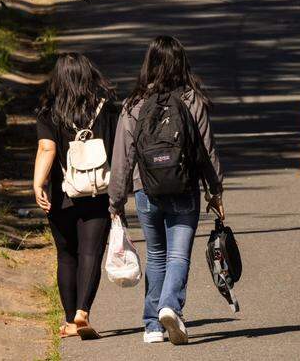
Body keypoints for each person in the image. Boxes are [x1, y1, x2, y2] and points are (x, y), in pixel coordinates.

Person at [109, 36, 225, 346]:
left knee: (156, 255)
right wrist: (215, 190)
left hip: (146, 190)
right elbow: (207, 149)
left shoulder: (134, 104)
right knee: (178, 255)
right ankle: (170, 306)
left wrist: (116, 200)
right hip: (184, 189)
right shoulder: (192, 100)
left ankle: (151, 324)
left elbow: (123, 155)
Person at [33, 53, 119, 341]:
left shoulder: (49, 112)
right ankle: (83, 312)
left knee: (66, 255)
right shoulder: (106, 109)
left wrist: (38, 183)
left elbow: (47, 149)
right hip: (97, 191)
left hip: (61, 193)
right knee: (90, 253)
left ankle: (70, 321)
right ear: (88, 75)